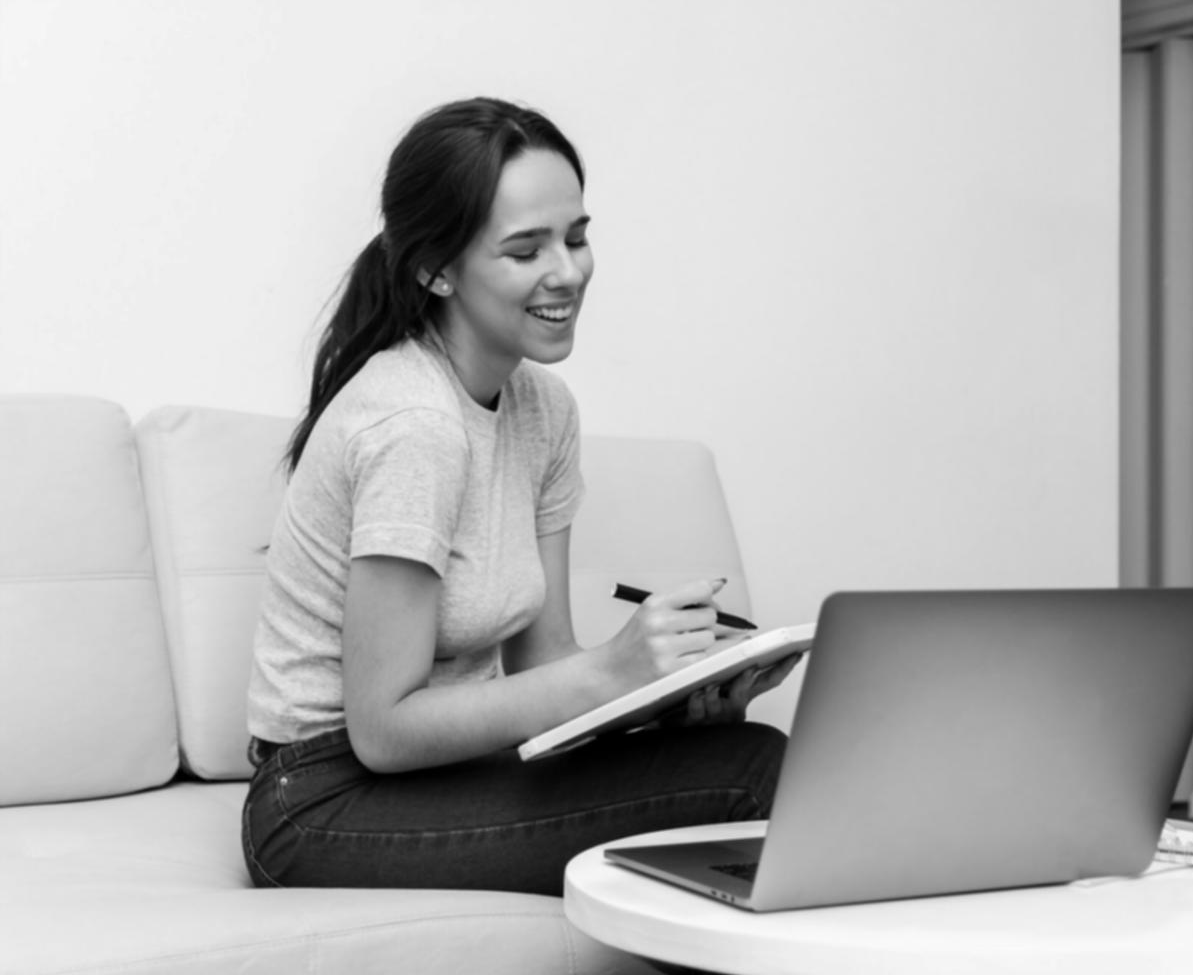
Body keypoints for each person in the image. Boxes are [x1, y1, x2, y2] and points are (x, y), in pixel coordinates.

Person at [241, 97, 794, 898]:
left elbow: (543, 666)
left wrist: (670, 695)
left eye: (575, 236)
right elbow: (383, 729)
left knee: (739, 747)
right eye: (525, 249)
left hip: (446, 772)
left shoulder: (544, 410)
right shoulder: (413, 426)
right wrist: (614, 669)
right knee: (751, 776)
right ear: (435, 268)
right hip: (318, 799)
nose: (567, 272)